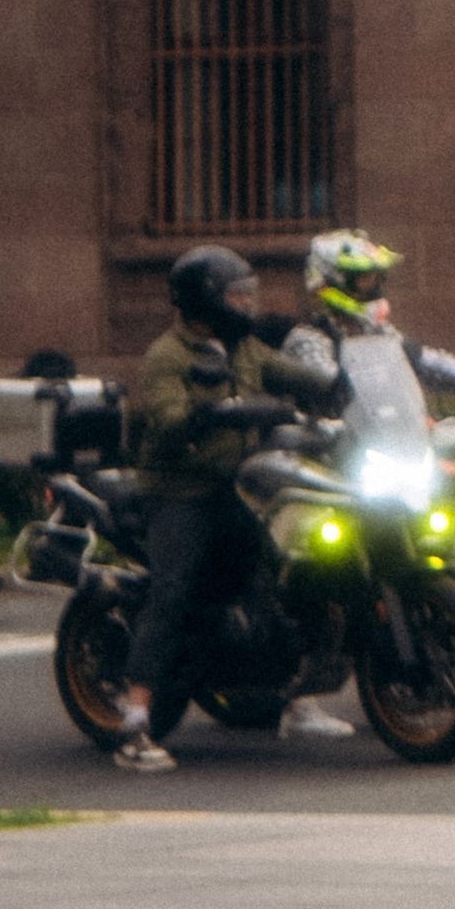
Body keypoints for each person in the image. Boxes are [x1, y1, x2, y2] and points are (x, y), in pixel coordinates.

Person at [115, 246, 345, 773]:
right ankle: (135, 722)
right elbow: (167, 417)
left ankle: (295, 697)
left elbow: (292, 373)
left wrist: (333, 383)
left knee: (288, 566)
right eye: (237, 296)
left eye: (250, 294)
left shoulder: (245, 349)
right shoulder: (168, 355)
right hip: (181, 488)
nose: (247, 304)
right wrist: (210, 412)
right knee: (172, 590)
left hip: (242, 483)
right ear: (205, 300)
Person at [288, 230, 455, 415]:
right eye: (363, 278)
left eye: (376, 278)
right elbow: (334, 387)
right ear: (332, 281)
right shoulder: (309, 338)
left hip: (386, 444)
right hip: (328, 447)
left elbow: (427, 362)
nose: (373, 287)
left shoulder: (377, 333)